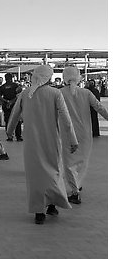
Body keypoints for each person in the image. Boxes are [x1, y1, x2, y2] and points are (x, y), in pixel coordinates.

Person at [7, 65, 78, 225]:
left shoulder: (26, 94)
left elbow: (14, 114)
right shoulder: (55, 93)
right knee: (54, 171)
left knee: (35, 176)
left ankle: (40, 211)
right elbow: (66, 118)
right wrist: (73, 140)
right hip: (51, 139)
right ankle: (51, 205)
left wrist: (10, 131)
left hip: (31, 142)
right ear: (48, 77)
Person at [59, 67, 108, 204]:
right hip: (85, 133)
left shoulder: (59, 93)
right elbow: (99, 107)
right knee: (82, 162)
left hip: (67, 133)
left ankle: (75, 192)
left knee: (68, 163)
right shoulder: (86, 93)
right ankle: (77, 184)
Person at [0, 73, 23, 141]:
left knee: (8, 121)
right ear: (11, 78)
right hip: (15, 105)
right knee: (17, 120)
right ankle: (18, 136)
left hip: (6, 105)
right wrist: (11, 101)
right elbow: (19, 95)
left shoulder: (2, 87)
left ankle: (10, 136)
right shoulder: (15, 85)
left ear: (5, 78)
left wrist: (6, 101)